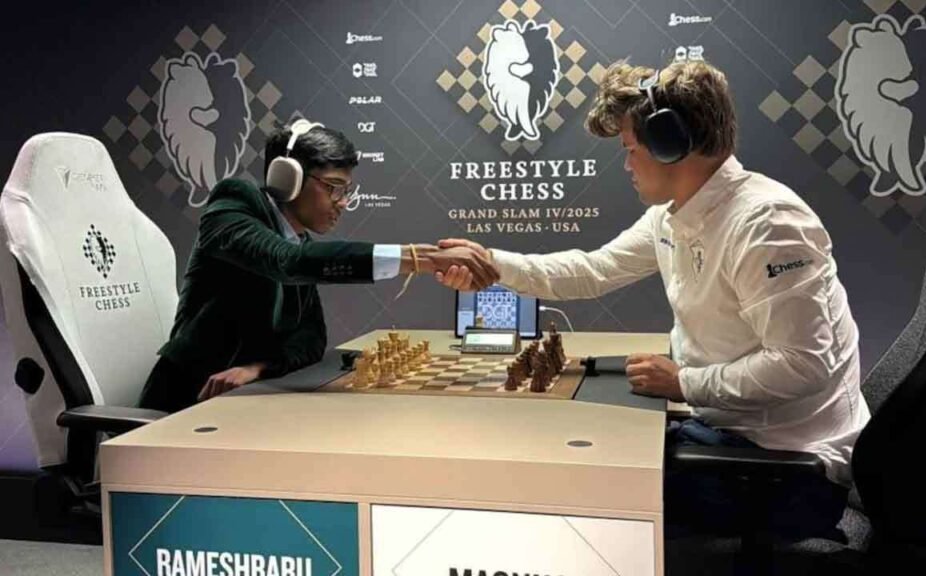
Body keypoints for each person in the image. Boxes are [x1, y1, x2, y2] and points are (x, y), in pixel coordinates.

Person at [440, 60, 869, 535]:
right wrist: (490, 263)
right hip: (727, 440)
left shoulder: (767, 224)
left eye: (630, 148)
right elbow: (592, 270)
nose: (626, 165)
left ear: (671, 144)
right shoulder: (673, 216)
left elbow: (802, 365)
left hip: (785, 471)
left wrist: (684, 382)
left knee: (570, 485)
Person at [139, 121, 498, 413]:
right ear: (288, 178)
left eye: (346, 191)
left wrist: (258, 367)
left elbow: (311, 339)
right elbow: (285, 262)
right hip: (185, 400)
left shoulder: (301, 243)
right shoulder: (234, 204)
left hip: (247, 400)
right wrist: (420, 258)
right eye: (334, 188)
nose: (343, 203)